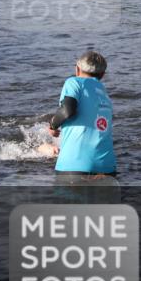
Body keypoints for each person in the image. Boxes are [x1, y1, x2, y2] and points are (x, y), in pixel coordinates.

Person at [47, 51, 116, 182]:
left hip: (74, 166)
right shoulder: (104, 93)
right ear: (102, 74)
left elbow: (67, 110)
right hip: (107, 167)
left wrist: (53, 124)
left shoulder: (74, 82)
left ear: (77, 69)